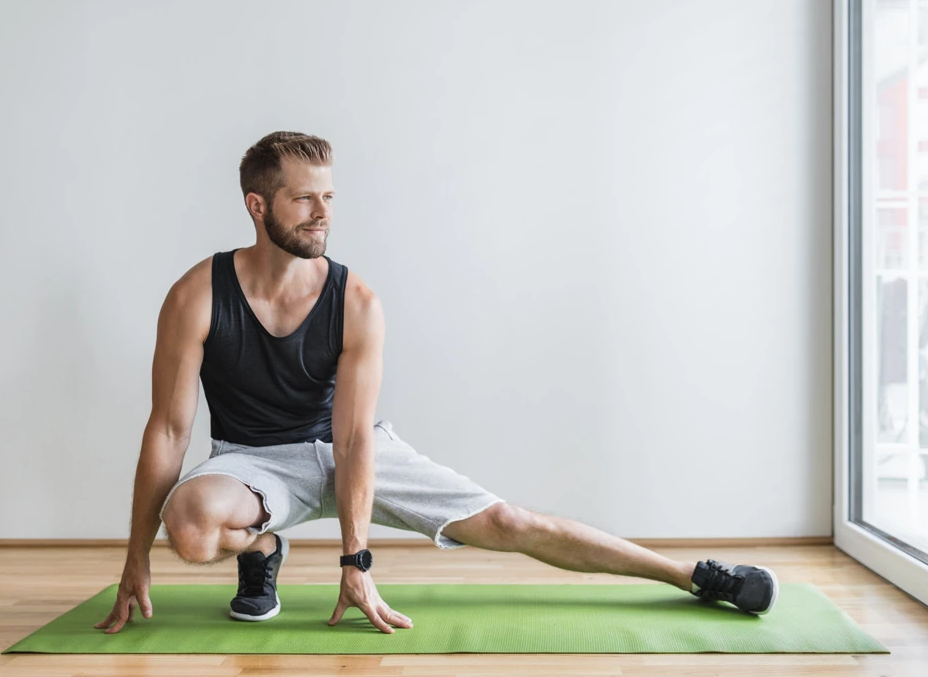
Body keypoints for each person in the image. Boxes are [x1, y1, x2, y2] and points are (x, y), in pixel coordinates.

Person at [94, 131, 779, 635]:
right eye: (304, 200)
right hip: (252, 464)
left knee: (512, 522)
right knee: (188, 529)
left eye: (328, 197)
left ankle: (691, 575)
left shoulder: (354, 300)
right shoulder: (197, 295)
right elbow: (170, 429)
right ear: (257, 205)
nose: (322, 213)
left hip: (344, 449)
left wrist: (355, 559)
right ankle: (266, 545)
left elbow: (355, 436)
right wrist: (135, 559)